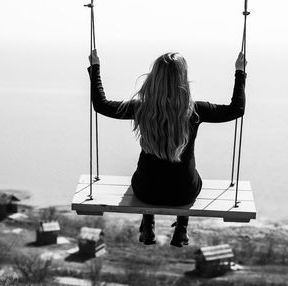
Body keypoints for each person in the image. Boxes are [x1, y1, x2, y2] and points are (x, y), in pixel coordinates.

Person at [88, 50, 246, 247]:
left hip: (146, 192)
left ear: (154, 79)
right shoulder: (195, 111)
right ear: (183, 79)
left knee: (145, 175)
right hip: (183, 194)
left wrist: (95, 67)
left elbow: (101, 105)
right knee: (189, 176)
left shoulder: (141, 109)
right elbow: (236, 109)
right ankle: (181, 229)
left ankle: (148, 224)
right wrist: (240, 72)